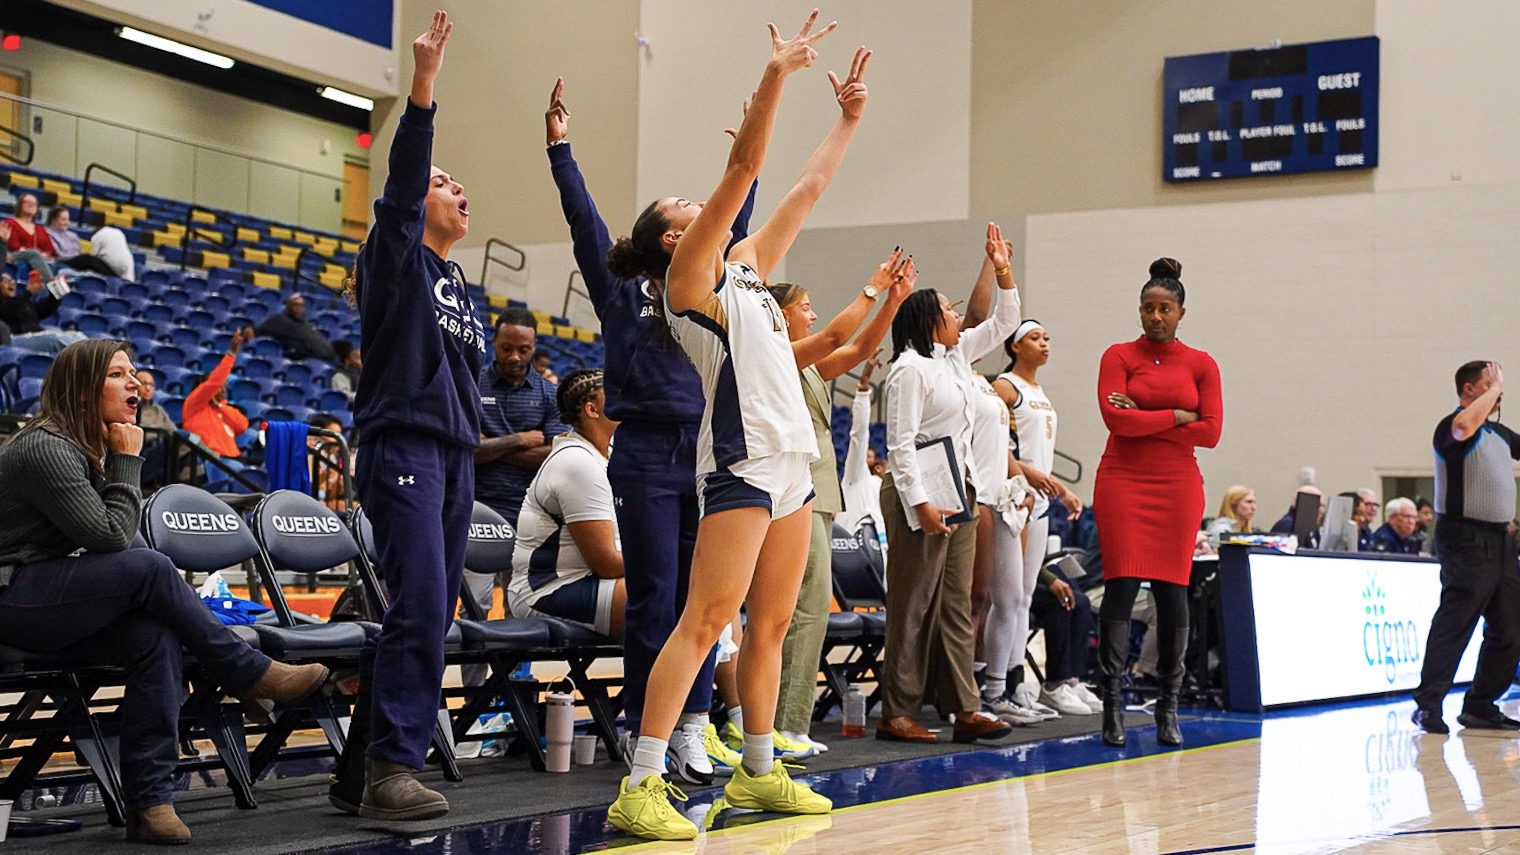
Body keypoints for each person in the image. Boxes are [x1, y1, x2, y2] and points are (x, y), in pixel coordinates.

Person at [602, 15, 864, 839]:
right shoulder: (687, 279)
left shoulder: (746, 267)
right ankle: (640, 782)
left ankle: (756, 772)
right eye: (684, 205)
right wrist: (776, 75)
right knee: (705, 621)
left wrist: (849, 120)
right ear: (674, 236)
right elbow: (747, 166)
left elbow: (802, 189)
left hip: (791, 460)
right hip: (742, 459)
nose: (699, 201)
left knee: (773, 626)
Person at [0, 339, 325, 843]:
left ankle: (150, 803)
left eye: (135, 372)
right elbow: (111, 538)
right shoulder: (46, 446)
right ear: (82, 391)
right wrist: (128, 460)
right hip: (11, 598)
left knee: (154, 637)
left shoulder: (84, 448)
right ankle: (247, 672)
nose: (135, 382)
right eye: (117, 374)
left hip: (45, 599)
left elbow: (120, 540)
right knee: (150, 568)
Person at [545, 75, 757, 784]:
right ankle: (649, 732)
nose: (705, 215)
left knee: (707, 604)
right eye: (690, 210)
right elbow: (584, 224)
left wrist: (746, 159)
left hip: (703, 453)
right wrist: (561, 151)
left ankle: (694, 728)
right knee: (657, 599)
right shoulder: (622, 292)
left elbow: (738, 220)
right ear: (670, 235)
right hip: (642, 454)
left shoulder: (707, 281)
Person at [327, 11, 489, 822]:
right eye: (442, 181)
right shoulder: (395, 260)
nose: (456, 190)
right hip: (404, 445)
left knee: (427, 607)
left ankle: (359, 769)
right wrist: (423, 88)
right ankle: (395, 766)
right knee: (421, 600)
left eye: (459, 186)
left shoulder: (464, 289)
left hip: (457, 453)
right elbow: (402, 183)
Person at [877, 222, 1022, 746]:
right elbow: (899, 446)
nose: (959, 317)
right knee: (913, 603)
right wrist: (920, 505)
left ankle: (965, 707)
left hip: (958, 489)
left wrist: (1002, 266)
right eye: (950, 310)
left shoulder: (955, 358)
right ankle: (897, 711)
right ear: (928, 320)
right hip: (919, 492)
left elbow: (1006, 319)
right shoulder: (909, 370)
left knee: (956, 604)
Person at [768, 253, 911, 755]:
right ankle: (784, 724)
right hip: (795, 493)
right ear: (782, 314)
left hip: (820, 495)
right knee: (806, 609)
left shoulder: (807, 366)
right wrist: (871, 290)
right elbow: (834, 339)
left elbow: (856, 349)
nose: (811, 313)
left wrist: (892, 304)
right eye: (804, 307)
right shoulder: (776, 357)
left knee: (808, 609)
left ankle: (787, 722)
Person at [1095, 257, 1222, 749]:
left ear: (1181, 312)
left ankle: (1168, 709)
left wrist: (1146, 411)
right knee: (1122, 587)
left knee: (1173, 592)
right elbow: (1117, 422)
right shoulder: (1118, 355)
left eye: (1164, 308)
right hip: (1123, 480)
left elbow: (1210, 432)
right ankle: (1113, 708)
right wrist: (1177, 413)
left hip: (1177, 486)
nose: (1154, 316)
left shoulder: (1202, 363)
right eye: (1147, 308)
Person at [1411, 361, 1520, 735]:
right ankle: (1427, 705)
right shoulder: (1453, 426)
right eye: (1491, 387)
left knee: (1510, 627)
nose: (1500, 393)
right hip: (1465, 539)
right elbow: (1463, 427)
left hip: (1501, 541)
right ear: (1470, 390)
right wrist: (1492, 391)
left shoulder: (1499, 434)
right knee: (1456, 623)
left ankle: (1480, 705)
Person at [987, 318, 1088, 718]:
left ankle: (1017, 686)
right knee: (1007, 598)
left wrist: (1061, 489)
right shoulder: (1005, 387)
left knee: (1026, 597)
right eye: (1034, 337)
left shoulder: (1039, 392)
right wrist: (1036, 479)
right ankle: (997, 687)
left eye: (1046, 337)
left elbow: (1040, 458)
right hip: (1014, 498)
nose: (1044, 343)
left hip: (1039, 500)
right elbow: (1000, 449)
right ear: (1014, 346)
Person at [467, 307, 567, 645]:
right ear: (493, 342)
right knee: (474, 608)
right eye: (506, 347)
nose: (514, 356)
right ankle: (476, 695)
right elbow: (467, 451)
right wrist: (520, 440)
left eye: (523, 349)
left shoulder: (550, 394)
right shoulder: (470, 384)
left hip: (529, 514)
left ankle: (513, 693)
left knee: (523, 608)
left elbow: (552, 455)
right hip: (476, 510)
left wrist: (491, 447)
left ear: (534, 345)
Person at [505, 369, 626, 637]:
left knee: (709, 595)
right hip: (547, 590)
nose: (624, 396)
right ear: (592, 410)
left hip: (588, 581)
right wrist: (667, 562)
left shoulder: (606, 456)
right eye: (613, 392)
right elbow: (605, 563)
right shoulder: (577, 462)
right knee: (675, 596)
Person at [1028, 558, 1100, 715]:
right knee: (1059, 601)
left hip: (1028, 575)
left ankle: (1073, 680)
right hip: (1009, 579)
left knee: (1081, 602)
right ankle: (1055, 685)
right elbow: (1022, 556)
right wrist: (1050, 579)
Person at [181, 327, 252, 462]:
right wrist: (232, 353)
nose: (222, 389)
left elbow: (242, 426)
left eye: (223, 387)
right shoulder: (194, 403)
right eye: (219, 387)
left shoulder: (223, 408)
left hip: (234, 459)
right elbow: (215, 381)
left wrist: (220, 406)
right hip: (211, 461)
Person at [838, 353, 886, 541]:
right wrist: (863, 387)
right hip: (851, 551)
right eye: (865, 455)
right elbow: (859, 433)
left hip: (880, 553)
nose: (867, 458)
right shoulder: (856, 477)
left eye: (871, 456)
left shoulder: (882, 486)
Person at [0, 271, 85, 354]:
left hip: (34, 337)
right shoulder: (11, 303)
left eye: (12, 280)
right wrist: (28, 292)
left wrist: (56, 292)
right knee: (53, 340)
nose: (12, 283)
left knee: (79, 336)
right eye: (6, 281)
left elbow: (45, 309)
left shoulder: (22, 303)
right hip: (11, 340)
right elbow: (10, 310)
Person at [1, 192, 60, 284]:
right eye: (27, 202)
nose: (31, 205)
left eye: (34, 204)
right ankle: (52, 285)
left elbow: (50, 251)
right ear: (20, 205)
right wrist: (38, 253)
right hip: (13, 255)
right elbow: (13, 246)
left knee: (59, 266)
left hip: (39, 259)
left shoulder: (40, 229)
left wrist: (45, 254)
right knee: (34, 253)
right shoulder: (10, 223)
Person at [256, 294, 336, 362]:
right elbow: (261, 331)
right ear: (289, 306)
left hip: (319, 359)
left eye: (301, 305)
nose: (298, 308)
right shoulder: (279, 319)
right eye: (295, 305)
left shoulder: (307, 325)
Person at [44, 207, 117, 276]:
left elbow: (78, 251)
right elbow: (57, 255)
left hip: (77, 260)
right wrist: (76, 256)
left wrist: (78, 256)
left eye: (68, 219)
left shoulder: (72, 235)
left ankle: (114, 276)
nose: (67, 223)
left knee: (95, 259)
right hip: (63, 261)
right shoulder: (47, 234)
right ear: (53, 220)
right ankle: (112, 276)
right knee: (88, 259)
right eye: (63, 219)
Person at [308, 413, 352, 513]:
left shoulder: (335, 458)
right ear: (318, 436)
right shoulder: (309, 458)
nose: (337, 440)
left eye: (339, 435)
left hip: (331, 502)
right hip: (314, 503)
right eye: (333, 434)